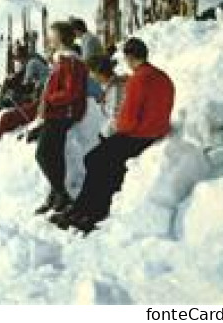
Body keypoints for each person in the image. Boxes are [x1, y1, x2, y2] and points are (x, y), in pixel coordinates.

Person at [52, 38, 174, 232]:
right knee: (101, 161)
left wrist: (116, 130)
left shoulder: (138, 80)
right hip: (154, 132)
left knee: (95, 160)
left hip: (138, 136)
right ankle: (85, 209)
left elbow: (128, 120)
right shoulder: (163, 77)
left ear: (130, 57)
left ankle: (89, 211)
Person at [31, 21, 88, 215]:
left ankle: (61, 193)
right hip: (59, 112)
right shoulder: (62, 60)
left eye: (52, 35)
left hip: (63, 113)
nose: (49, 38)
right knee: (53, 154)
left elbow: (70, 92)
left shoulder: (70, 61)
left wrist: (49, 98)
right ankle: (56, 194)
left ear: (61, 38)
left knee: (43, 154)